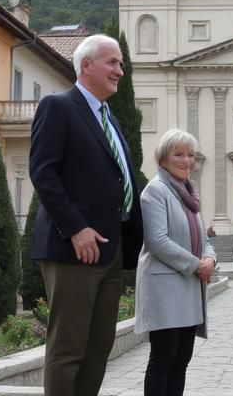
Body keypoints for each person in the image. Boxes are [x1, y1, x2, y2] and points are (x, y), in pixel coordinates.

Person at [28, 34, 144, 396]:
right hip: (74, 249)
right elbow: (43, 172)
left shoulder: (111, 118)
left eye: (121, 64)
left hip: (111, 249)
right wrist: (77, 229)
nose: (119, 71)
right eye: (113, 62)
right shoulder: (58, 107)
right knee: (69, 348)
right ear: (86, 65)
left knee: (98, 349)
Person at [135, 128, 217, 396]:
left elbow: (202, 237)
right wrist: (197, 265)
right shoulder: (155, 191)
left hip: (189, 287)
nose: (186, 160)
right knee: (163, 358)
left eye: (191, 155)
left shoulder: (189, 195)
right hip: (165, 288)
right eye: (179, 154)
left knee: (182, 359)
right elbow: (158, 241)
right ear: (163, 158)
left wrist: (209, 258)